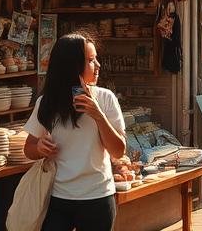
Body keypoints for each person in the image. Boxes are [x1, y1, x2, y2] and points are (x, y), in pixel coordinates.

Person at [24, 33, 127, 231]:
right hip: (57, 197)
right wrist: (39, 148)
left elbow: (118, 151)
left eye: (96, 58)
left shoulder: (105, 99)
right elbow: (28, 149)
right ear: (71, 65)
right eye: (90, 60)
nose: (98, 65)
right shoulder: (46, 103)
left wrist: (98, 115)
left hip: (97, 196)